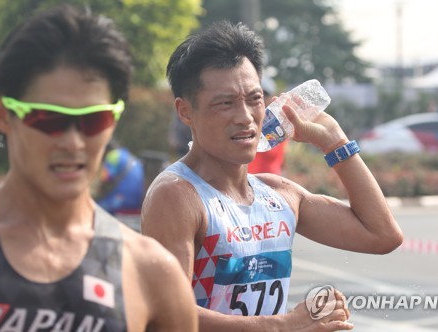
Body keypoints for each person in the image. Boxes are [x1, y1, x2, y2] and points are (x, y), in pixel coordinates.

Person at [141, 20, 403, 331]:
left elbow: (382, 235)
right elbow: (169, 318)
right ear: (185, 111)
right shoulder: (177, 195)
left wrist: (334, 140)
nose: (245, 117)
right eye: (224, 103)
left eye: (254, 99)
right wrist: (283, 325)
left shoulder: (279, 195)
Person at [0, 5, 197, 331]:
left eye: (94, 119)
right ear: (3, 115)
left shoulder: (150, 272)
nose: (73, 143)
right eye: (49, 119)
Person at [248, 76, 287, 175]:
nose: (261, 99)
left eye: (265, 95)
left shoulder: (278, 123)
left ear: (272, 98)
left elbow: (277, 157)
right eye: (257, 96)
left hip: (270, 184)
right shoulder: (246, 121)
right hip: (249, 182)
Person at [96, 140, 145, 215]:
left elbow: (104, 178)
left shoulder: (112, 155)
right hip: (136, 202)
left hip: (121, 200)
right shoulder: (130, 156)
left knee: (97, 208)